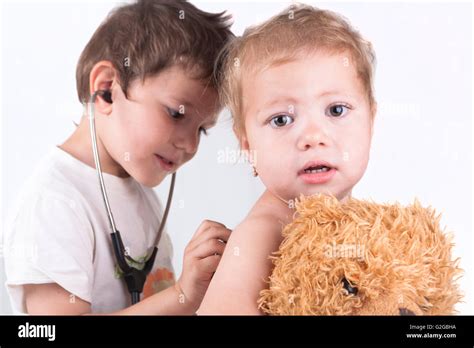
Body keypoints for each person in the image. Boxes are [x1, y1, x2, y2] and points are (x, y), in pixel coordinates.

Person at [4, 0, 233, 315]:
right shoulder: (54, 203)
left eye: (202, 130)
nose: (190, 145)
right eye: (176, 114)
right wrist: (181, 295)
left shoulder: (144, 199)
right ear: (107, 88)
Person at [199, 4, 377, 314]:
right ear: (247, 146)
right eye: (281, 120)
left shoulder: (370, 224)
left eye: (336, 110)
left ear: (371, 123)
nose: (312, 137)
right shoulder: (262, 234)